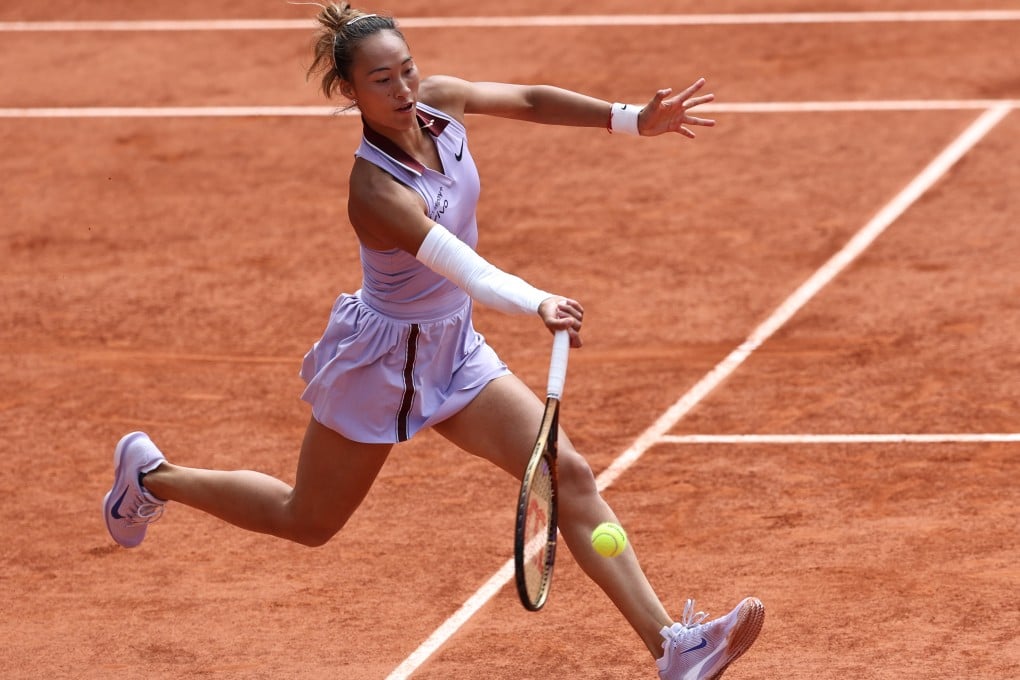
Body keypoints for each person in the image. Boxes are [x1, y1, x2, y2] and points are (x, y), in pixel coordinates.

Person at [102, 4, 764, 678]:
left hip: (454, 350)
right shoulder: (374, 190)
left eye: (407, 70)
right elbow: (462, 266)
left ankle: (672, 647)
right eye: (381, 81)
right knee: (305, 519)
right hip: (382, 364)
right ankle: (153, 477)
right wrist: (536, 300)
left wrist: (630, 118)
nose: (403, 90)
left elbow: (530, 98)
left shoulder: (441, 106)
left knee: (567, 475)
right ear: (350, 93)